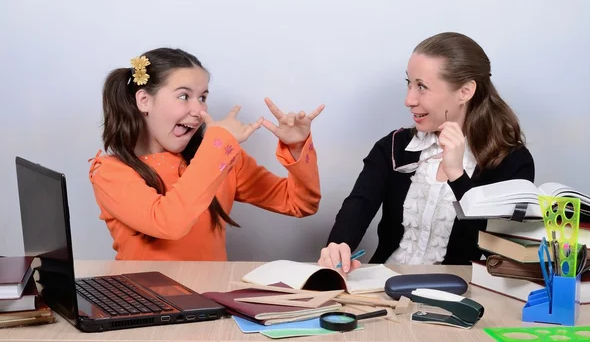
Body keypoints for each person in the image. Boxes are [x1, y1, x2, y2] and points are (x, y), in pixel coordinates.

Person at [318, 32, 535, 273]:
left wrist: (457, 176)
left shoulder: (512, 161)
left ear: (465, 91)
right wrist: (338, 246)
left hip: (463, 295)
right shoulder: (393, 147)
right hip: (385, 286)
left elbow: (499, 249)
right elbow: (358, 206)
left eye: (422, 86)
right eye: (409, 83)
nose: (409, 99)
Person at [88, 47, 324, 260]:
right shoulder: (110, 172)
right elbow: (168, 223)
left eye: (202, 98)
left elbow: (300, 204)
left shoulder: (223, 158)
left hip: (210, 301)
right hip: (143, 303)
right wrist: (218, 146)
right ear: (144, 101)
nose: (199, 110)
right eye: (184, 96)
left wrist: (297, 147)